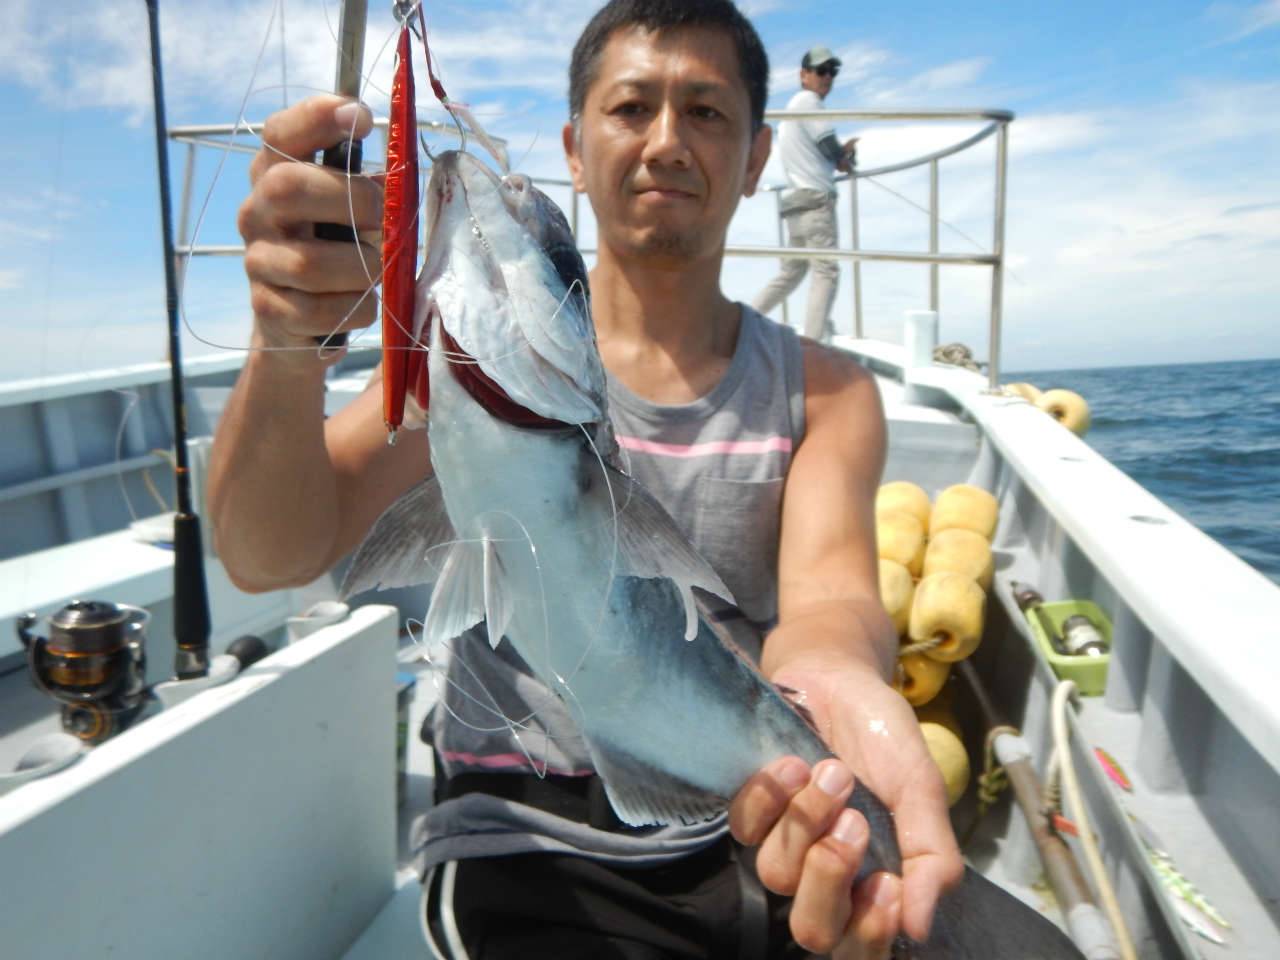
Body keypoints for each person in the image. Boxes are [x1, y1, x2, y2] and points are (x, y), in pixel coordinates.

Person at [210, 1, 961, 957]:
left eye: (707, 112)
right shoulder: (451, 383)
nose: (665, 142)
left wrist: (832, 687)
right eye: (631, 107)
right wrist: (284, 344)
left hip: (752, 817)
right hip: (522, 837)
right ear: (573, 143)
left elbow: (830, 599)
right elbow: (264, 554)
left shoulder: (831, 390)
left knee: (886, 928)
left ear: (760, 156)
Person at [751, 45, 858, 343]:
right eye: (821, 71)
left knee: (792, 273)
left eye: (832, 72)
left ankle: (743, 325)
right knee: (826, 272)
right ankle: (812, 346)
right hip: (815, 203)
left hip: (796, 205)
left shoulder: (790, 112)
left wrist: (839, 156)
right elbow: (828, 146)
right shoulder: (809, 102)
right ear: (804, 74)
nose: (828, 77)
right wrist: (844, 155)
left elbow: (819, 153)